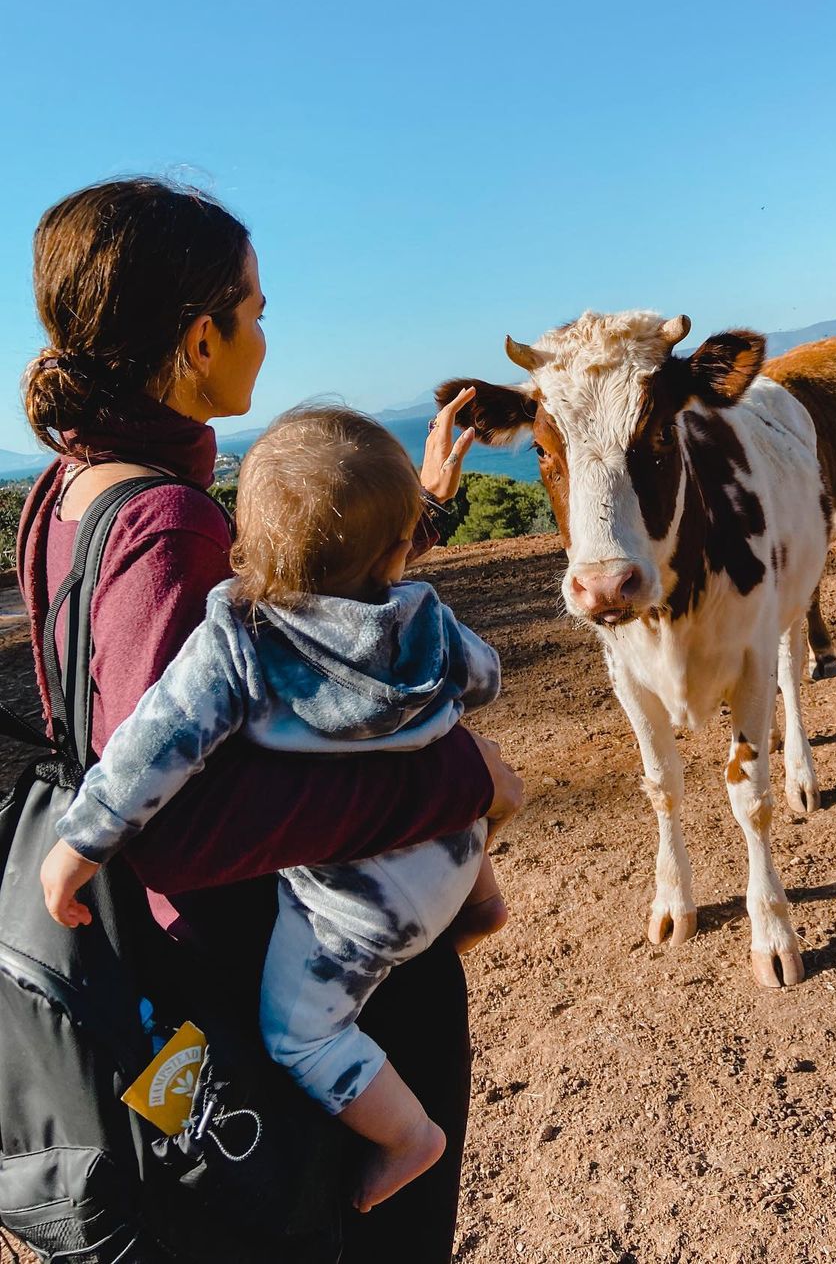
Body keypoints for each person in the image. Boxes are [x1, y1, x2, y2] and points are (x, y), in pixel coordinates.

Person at [16, 176, 524, 1261]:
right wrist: (459, 784)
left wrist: (414, 512)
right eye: (253, 310)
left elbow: (298, 609)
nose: (265, 330)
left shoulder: (72, 488)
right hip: (267, 973)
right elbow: (174, 822)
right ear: (202, 339)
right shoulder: (165, 526)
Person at [41, 406, 511, 1213]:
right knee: (466, 833)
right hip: (452, 851)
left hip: (354, 908)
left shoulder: (239, 635)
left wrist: (80, 843)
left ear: (248, 546)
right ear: (399, 551)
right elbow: (484, 678)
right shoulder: (427, 614)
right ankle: (483, 902)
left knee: (304, 1034)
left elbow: (155, 745)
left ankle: (406, 1137)